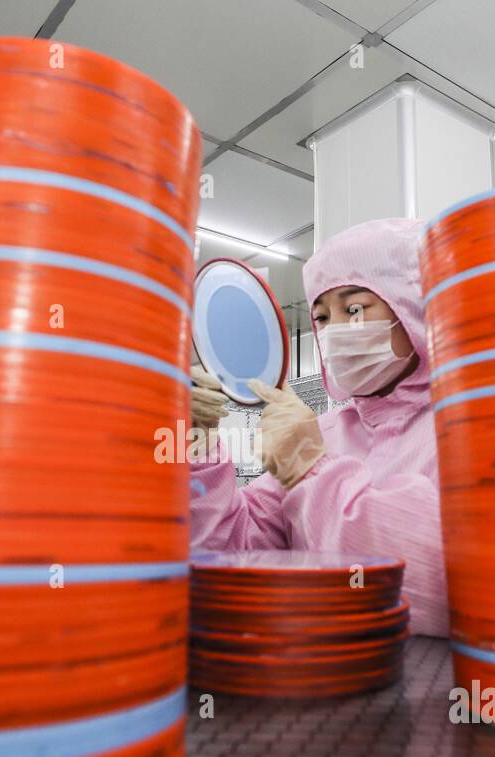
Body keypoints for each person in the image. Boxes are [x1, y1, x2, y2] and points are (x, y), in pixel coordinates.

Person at [189, 217, 447, 637]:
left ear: (411, 306)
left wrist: (311, 471)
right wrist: (197, 449)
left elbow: (441, 577)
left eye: (355, 308)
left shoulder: (463, 427)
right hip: (317, 677)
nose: (334, 331)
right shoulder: (324, 431)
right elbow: (230, 552)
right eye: (322, 317)